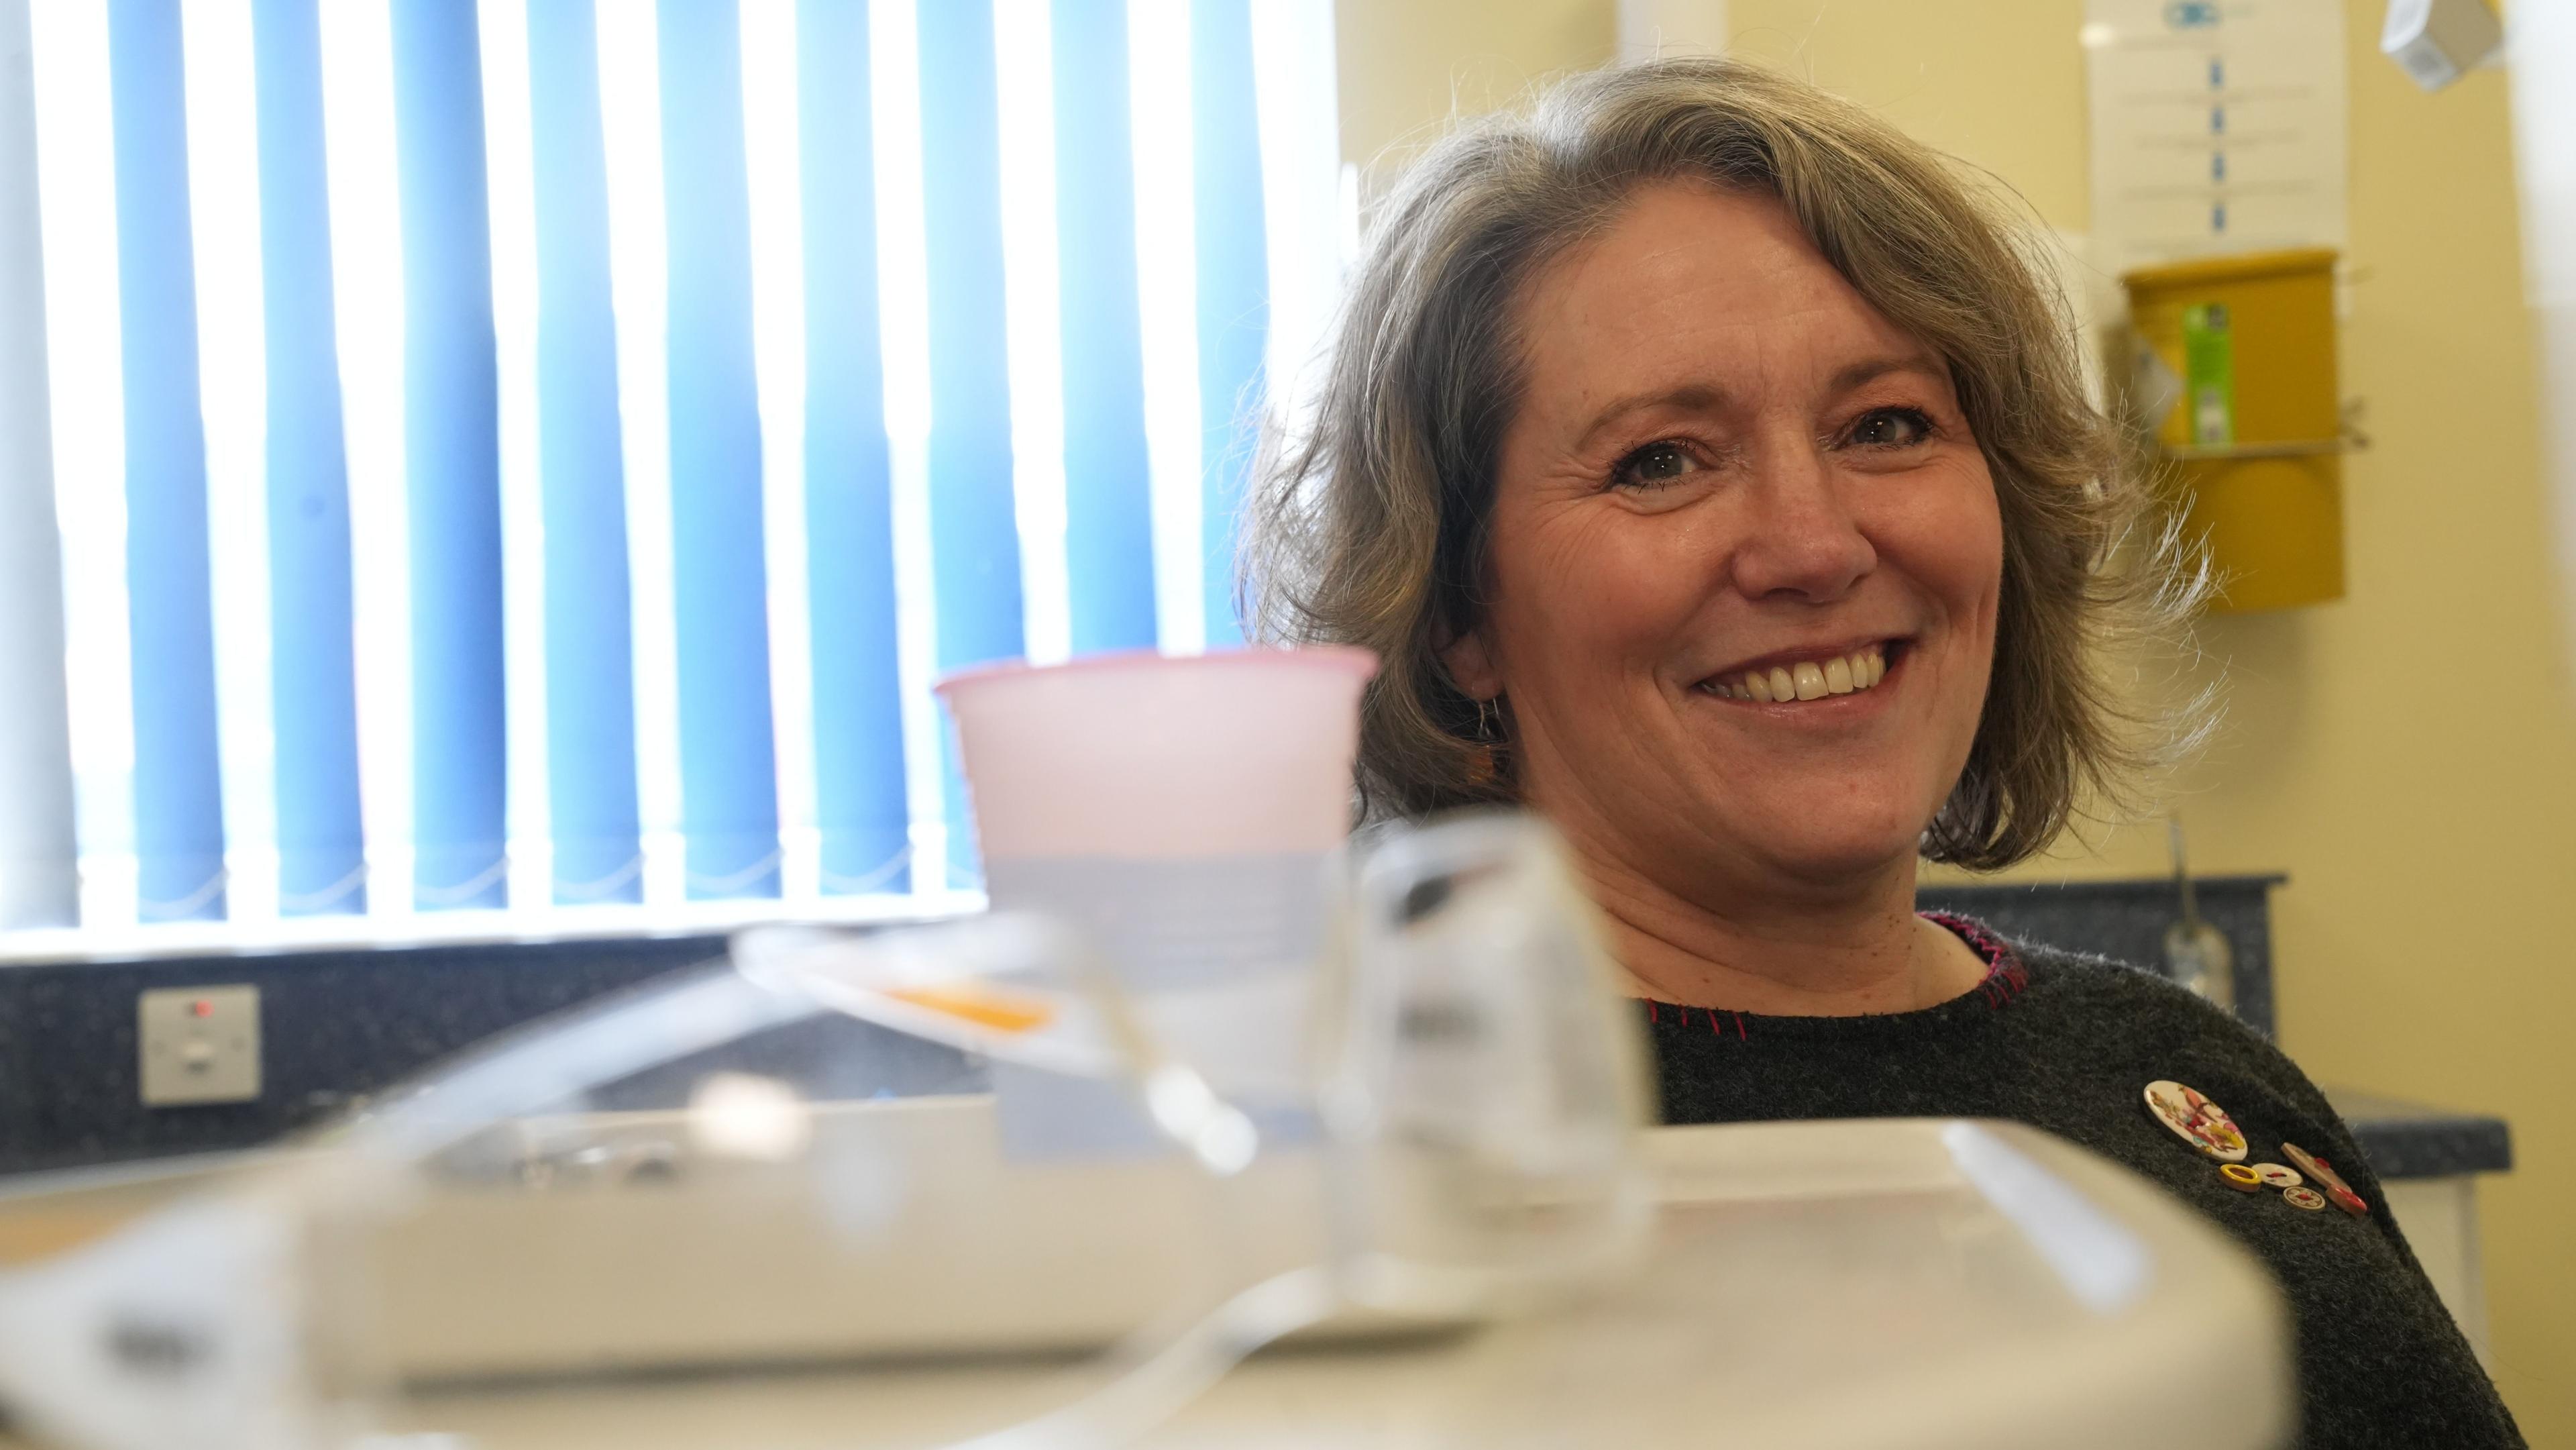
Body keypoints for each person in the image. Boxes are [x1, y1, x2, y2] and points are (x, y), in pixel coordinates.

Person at [1244, 56, 2521, 1449]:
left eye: (1888, 425)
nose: (1812, 543)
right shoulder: (1376, 1200)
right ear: (1457, 623)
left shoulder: (2187, 1070)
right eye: (1662, 459)